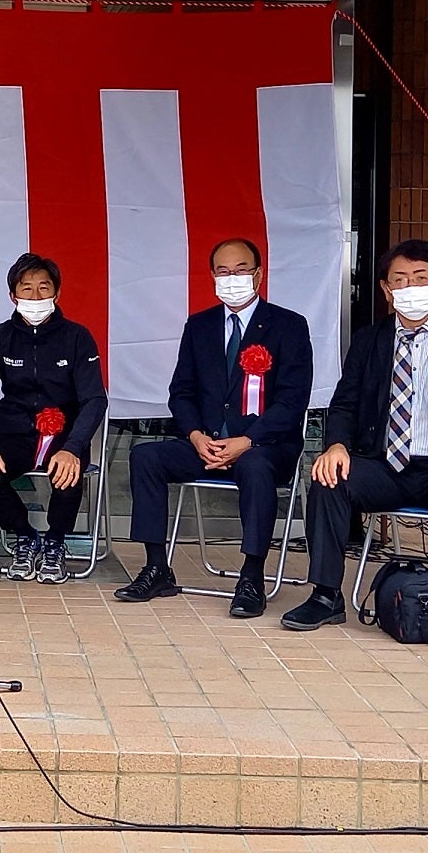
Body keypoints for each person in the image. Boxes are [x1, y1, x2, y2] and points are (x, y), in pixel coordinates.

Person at [283, 240, 428, 655]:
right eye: (401, 280)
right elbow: (345, 403)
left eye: (422, 279)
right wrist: (336, 446)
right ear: (387, 290)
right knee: (328, 480)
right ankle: (325, 595)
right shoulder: (370, 340)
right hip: (384, 464)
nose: (411, 287)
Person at [115, 237, 313, 618]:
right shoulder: (200, 325)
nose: (232, 278)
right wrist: (195, 435)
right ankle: (156, 567)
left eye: (240, 271)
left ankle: (251, 576)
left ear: (258, 274)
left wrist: (247, 440)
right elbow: (181, 392)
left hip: (264, 447)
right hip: (206, 443)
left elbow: (292, 402)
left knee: (255, 467)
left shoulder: (288, 326)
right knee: (145, 457)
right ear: (212, 277)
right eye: (223, 272)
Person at [0, 253, 106, 584]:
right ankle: (25, 536)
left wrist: (74, 446)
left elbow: (95, 398)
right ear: (13, 296)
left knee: (67, 473)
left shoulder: (77, 337)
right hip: (15, 433)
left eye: (44, 287)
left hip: (65, 437)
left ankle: (56, 542)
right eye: (26, 288)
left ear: (57, 293)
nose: (36, 296)